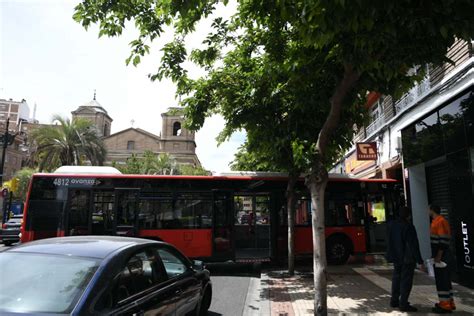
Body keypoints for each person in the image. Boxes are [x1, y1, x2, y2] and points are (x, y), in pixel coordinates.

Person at [386, 206, 423, 312]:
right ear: (408, 215)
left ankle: (394, 300)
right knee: (406, 281)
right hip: (407, 258)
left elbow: (389, 241)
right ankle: (403, 304)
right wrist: (420, 260)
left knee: (396, 278)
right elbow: (413, 245)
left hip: (396, 256)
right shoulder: (408, 226)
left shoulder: (391, 225)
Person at [429, 204, 455, 313]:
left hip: (442, 255)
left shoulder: (439, 222)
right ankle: (448, 302)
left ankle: (445, 305)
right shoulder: (438, 221)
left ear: (432, 210)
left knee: (442, 280)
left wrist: (438, 255)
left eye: (428, 209)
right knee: (444, 280)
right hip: (441, 255)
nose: (428, 211)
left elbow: (443, 240)